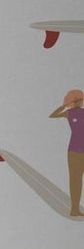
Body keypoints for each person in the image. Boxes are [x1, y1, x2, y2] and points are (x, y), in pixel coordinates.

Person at [48, 90, 84, 220]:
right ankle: (74, 209)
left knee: (77, 180)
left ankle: (76, 209)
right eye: (78, 99)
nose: (80, 101)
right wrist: (65, 105)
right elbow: (52, 115)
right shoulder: (69, 113)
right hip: (74, 151)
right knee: (75, 181)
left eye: (80, 99)